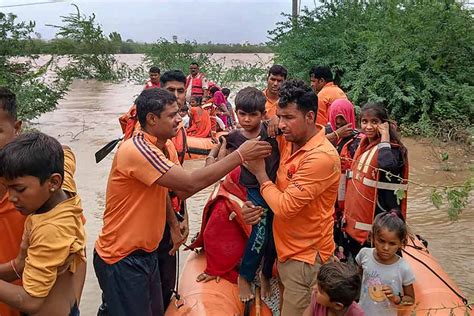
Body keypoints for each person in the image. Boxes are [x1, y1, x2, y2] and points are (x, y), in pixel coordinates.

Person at [94, 88, 272, 316]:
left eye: (179, 113)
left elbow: (175, 191)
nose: (180, 119)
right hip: (122, 257)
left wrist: (173, 223)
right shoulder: (138, 149)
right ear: (151, 119)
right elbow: (188, 184)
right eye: (172, 115)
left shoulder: (164, 145)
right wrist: (240, 156)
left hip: (148, 252)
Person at [243, 79, 341, 315]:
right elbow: (263, 124)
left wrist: (260, 174)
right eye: (281, 116)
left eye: (289, 117)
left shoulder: (320, 158)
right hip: (287, 250)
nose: (283, 124)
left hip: (306, 258)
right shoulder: (292, 141)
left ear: (310, 117)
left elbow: (285, 207)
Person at [0, 87, 85, 316]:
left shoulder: (52, 226)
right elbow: (67, 154)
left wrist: (71, 300)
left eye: (18, 189)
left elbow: (31, 301)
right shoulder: (57, 190)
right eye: (8, 188)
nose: (12, 196)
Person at [225, 87, 279, 302]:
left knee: (275, 238)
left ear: (263, 113)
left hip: (275, 188)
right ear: (236, 113)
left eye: (253, 114)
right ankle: (245, 276)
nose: (246, 120)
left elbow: (290, 122)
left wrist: (275, 118)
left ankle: (265, 274)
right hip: (255, 192)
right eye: (242, 114)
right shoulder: (234, 137)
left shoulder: (271, 130)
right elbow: (222, 163)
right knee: (259, 235)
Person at [343, 102, 409, 256]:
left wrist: (385, 135)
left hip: (378, 228)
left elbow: (387, 164)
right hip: (358, 228)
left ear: (384, 124)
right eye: (364, 122)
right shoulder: (365, 145)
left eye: (375, 122)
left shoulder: (393, 151)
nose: (368, 127)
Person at [355, 211, 415, 315]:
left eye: (392, 243)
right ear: (372, 237)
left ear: (401, 243)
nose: (385, 248)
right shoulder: (364, 254)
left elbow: (411, 299)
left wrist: (395, 298)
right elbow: (357, 277)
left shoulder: (403, 268)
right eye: (381, 241)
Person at [325, 99, 361, 257]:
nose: (339, 122)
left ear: (350, 117)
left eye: (342, 118)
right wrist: (335, 135)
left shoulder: (359, 140)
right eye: (336, 117)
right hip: (328, 190)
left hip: (348, 191)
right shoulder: (325, 134)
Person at [263, 65, 288, 137]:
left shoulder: (288, 101)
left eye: (279, 81)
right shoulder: (258, 99)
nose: (275, 84)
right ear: (267, 79)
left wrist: (278, 117)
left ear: (285, 82)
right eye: (272, 79)